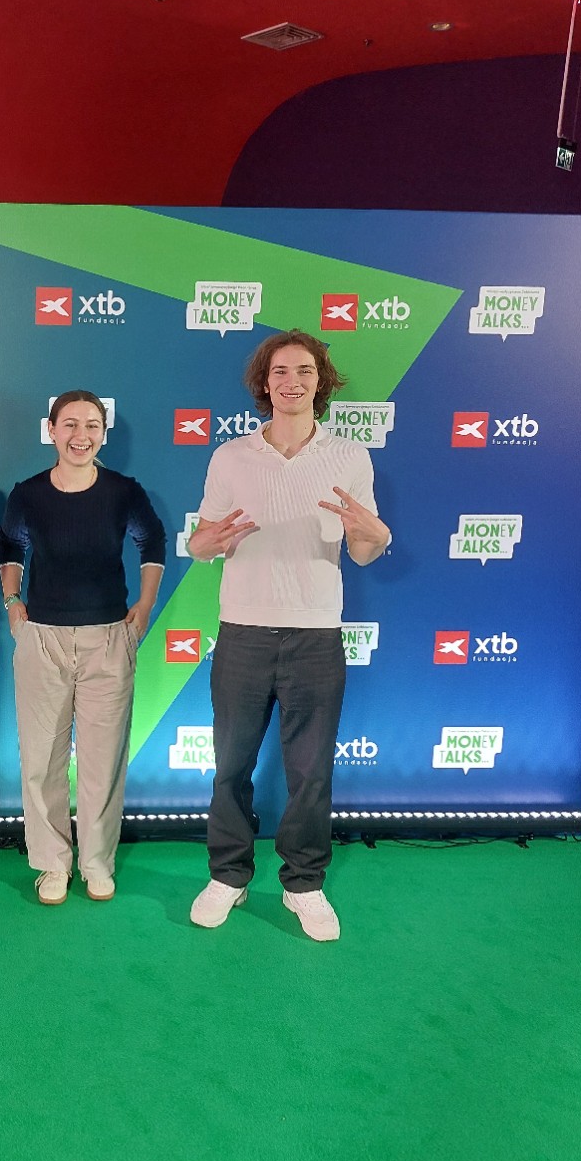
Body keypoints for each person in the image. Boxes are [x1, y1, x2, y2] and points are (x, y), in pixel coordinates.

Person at [187, 329, 391, 942]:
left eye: (304, 371)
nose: (292, 381)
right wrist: (204, 543)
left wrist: (376, 535)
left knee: (310, 772)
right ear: (264, 382)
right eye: (280, 371)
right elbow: (202, 542)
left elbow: (364, 549)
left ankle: (303, 884)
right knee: (231, 765)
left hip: (315, 635)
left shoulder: (350, 456)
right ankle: (228, 875)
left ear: (320, 382)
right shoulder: (230, 456)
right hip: (243, 632)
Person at [0, 391, 165, 905]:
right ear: (51, 430)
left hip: (108, 640)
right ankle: (52, 863)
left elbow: (153, 542)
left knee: (102, 762)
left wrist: (145, 607)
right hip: (43, 640)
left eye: (92, 425)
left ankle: (96, 864)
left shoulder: (123, 492)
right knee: (41, 761)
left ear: (103, 434)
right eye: (69, 424)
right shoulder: (27, 494)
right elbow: (10, 544)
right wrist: (12, 602)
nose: (81, 435)